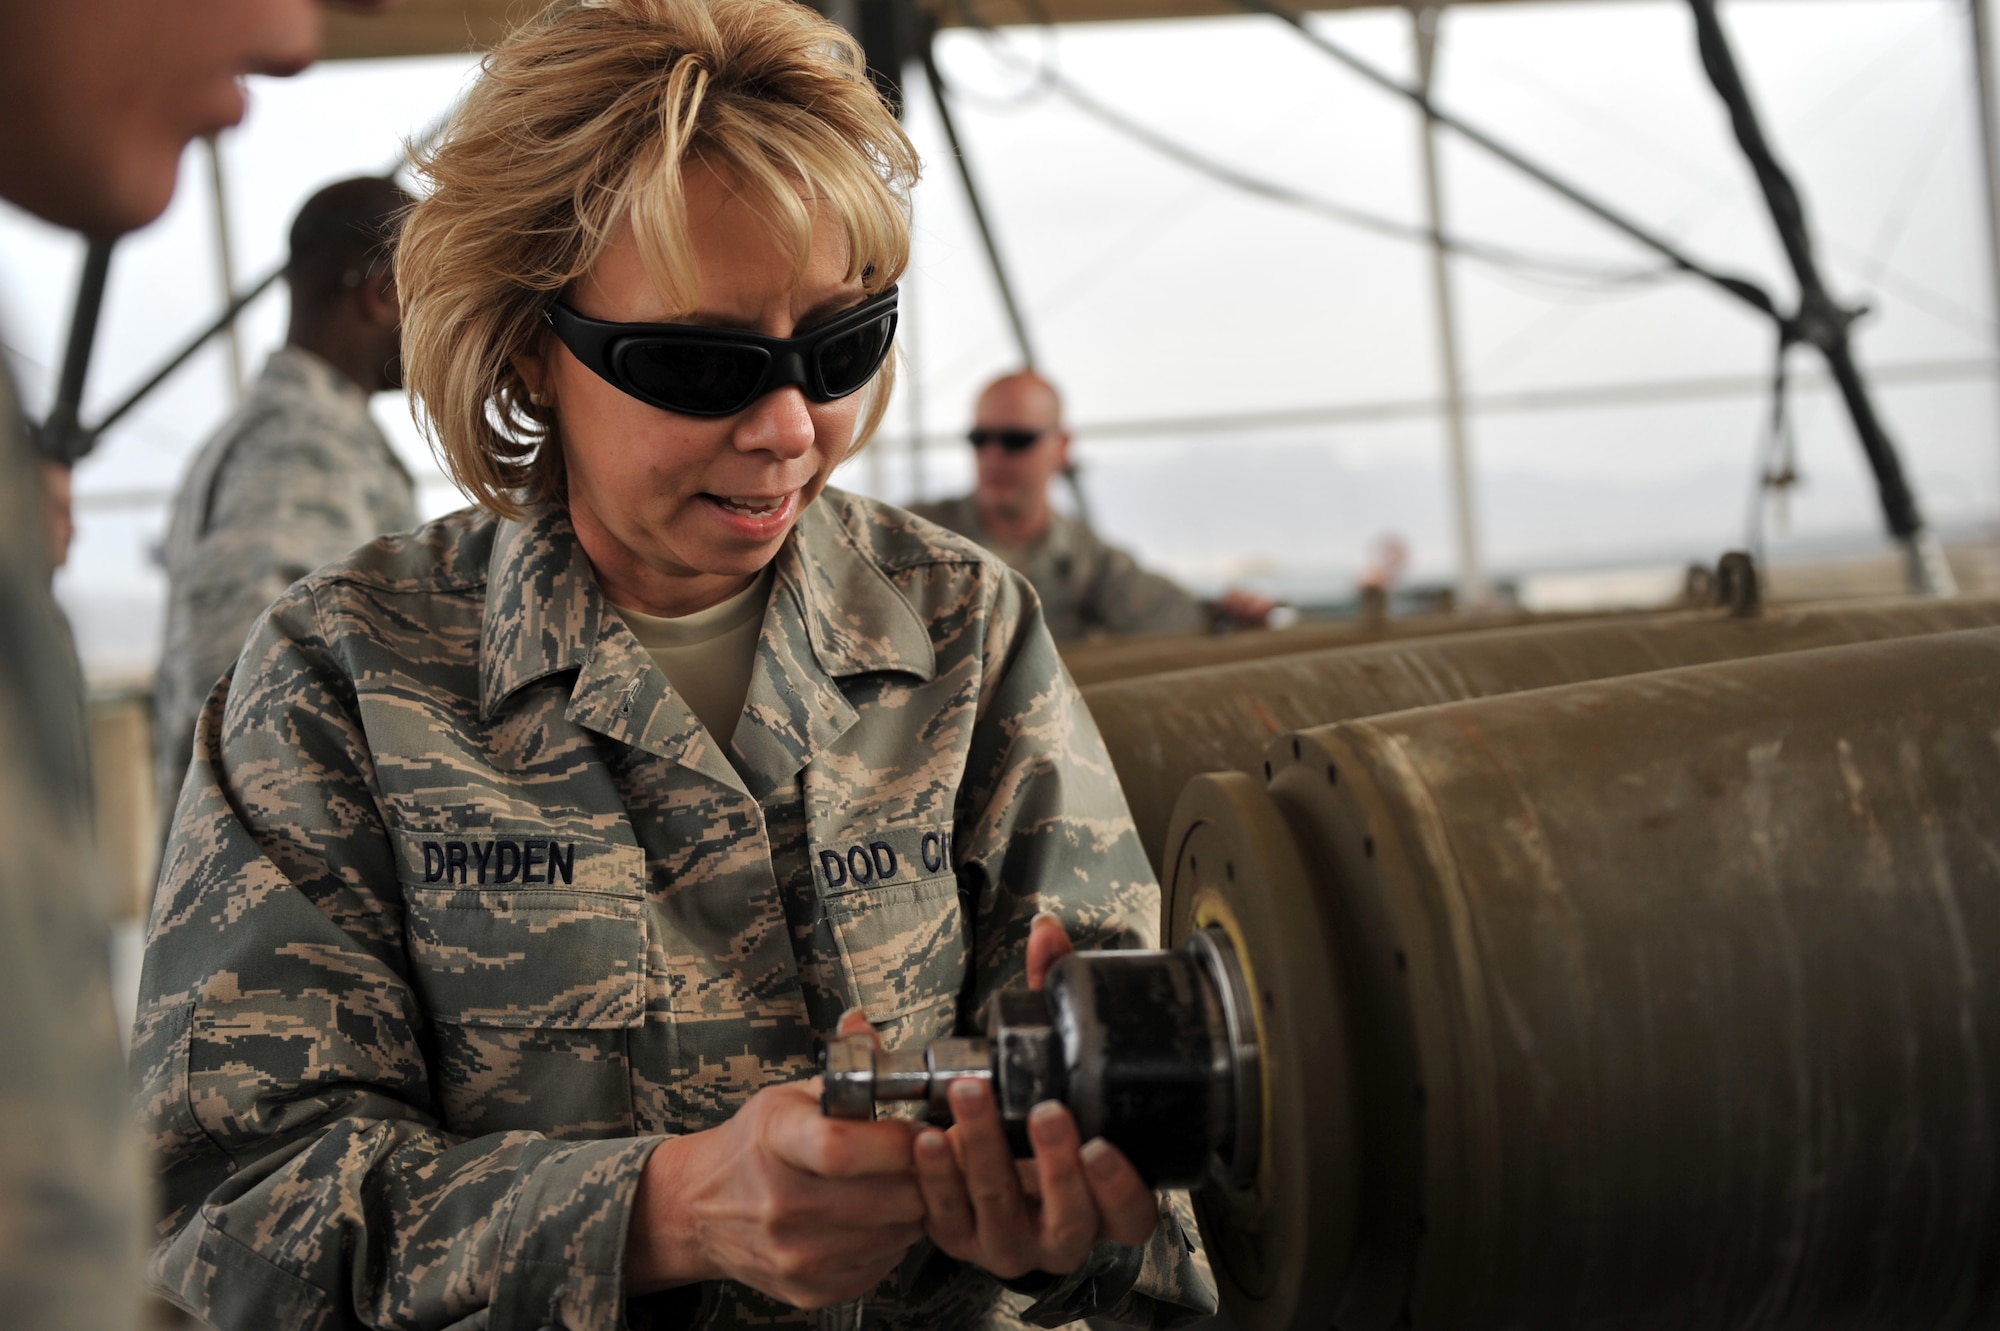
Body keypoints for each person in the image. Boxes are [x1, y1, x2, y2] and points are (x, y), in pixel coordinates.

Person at [134, 1, 1218, 1327]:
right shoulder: (344, 682)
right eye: (700, 363)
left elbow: (1156, 1150)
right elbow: (226, 1221)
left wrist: (1066, 1221)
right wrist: (666, 1211)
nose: (786, 431)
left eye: (842, 348)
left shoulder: (961, 629)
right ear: (530, 346)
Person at [0, 0, 393, 1326]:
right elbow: (258, 725)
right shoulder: (296, 453)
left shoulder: (307, 438)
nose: (295, 45)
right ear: (378, 287)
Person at [153, 174, 418, 830]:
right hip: (287, 896)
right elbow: (254, 696)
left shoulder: (275, 429)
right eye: (434, 290)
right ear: (383, 294)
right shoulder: (301, 445)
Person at [911, 372, 1277, 642]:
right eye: (980, 439)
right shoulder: (915, 538)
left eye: (1015, 440)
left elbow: (1162, 612)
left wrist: (1233, 618)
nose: (992, 455)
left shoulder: (1085, 560)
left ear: (1062, 446)